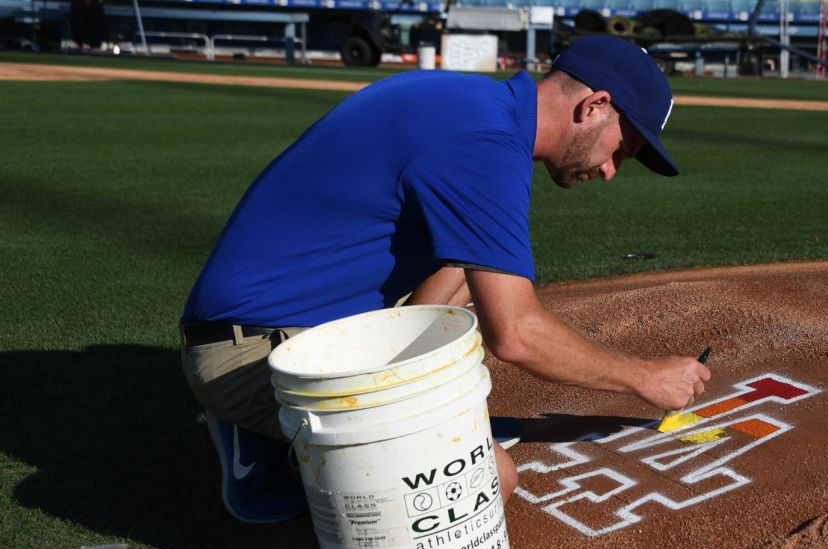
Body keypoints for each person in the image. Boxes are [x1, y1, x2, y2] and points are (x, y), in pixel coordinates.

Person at [180, 37, 710, 523]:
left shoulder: (471, 103)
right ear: (593, 106)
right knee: (485, 482)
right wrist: (646, 376)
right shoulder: (483, 141)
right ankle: (277, 444)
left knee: (474, 260)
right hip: (256, 354)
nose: (613, 169)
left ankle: (347, 421)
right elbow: (516, 334)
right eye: (622, 149)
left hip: (295, 319)